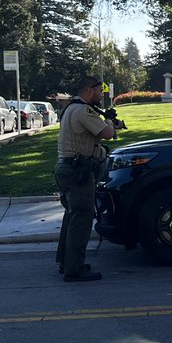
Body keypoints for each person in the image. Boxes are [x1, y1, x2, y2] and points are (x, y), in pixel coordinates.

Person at [54, 76, 119, 281]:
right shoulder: (84, 111)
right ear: (89, 91)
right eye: (100, 91)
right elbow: (108, 133)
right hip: (77, 172)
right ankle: (75, 269)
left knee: (72, 216)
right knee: (81, 219)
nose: (101, 95)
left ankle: (65, 262)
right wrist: (109, 120)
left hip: (65, 169)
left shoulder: (71, 108)